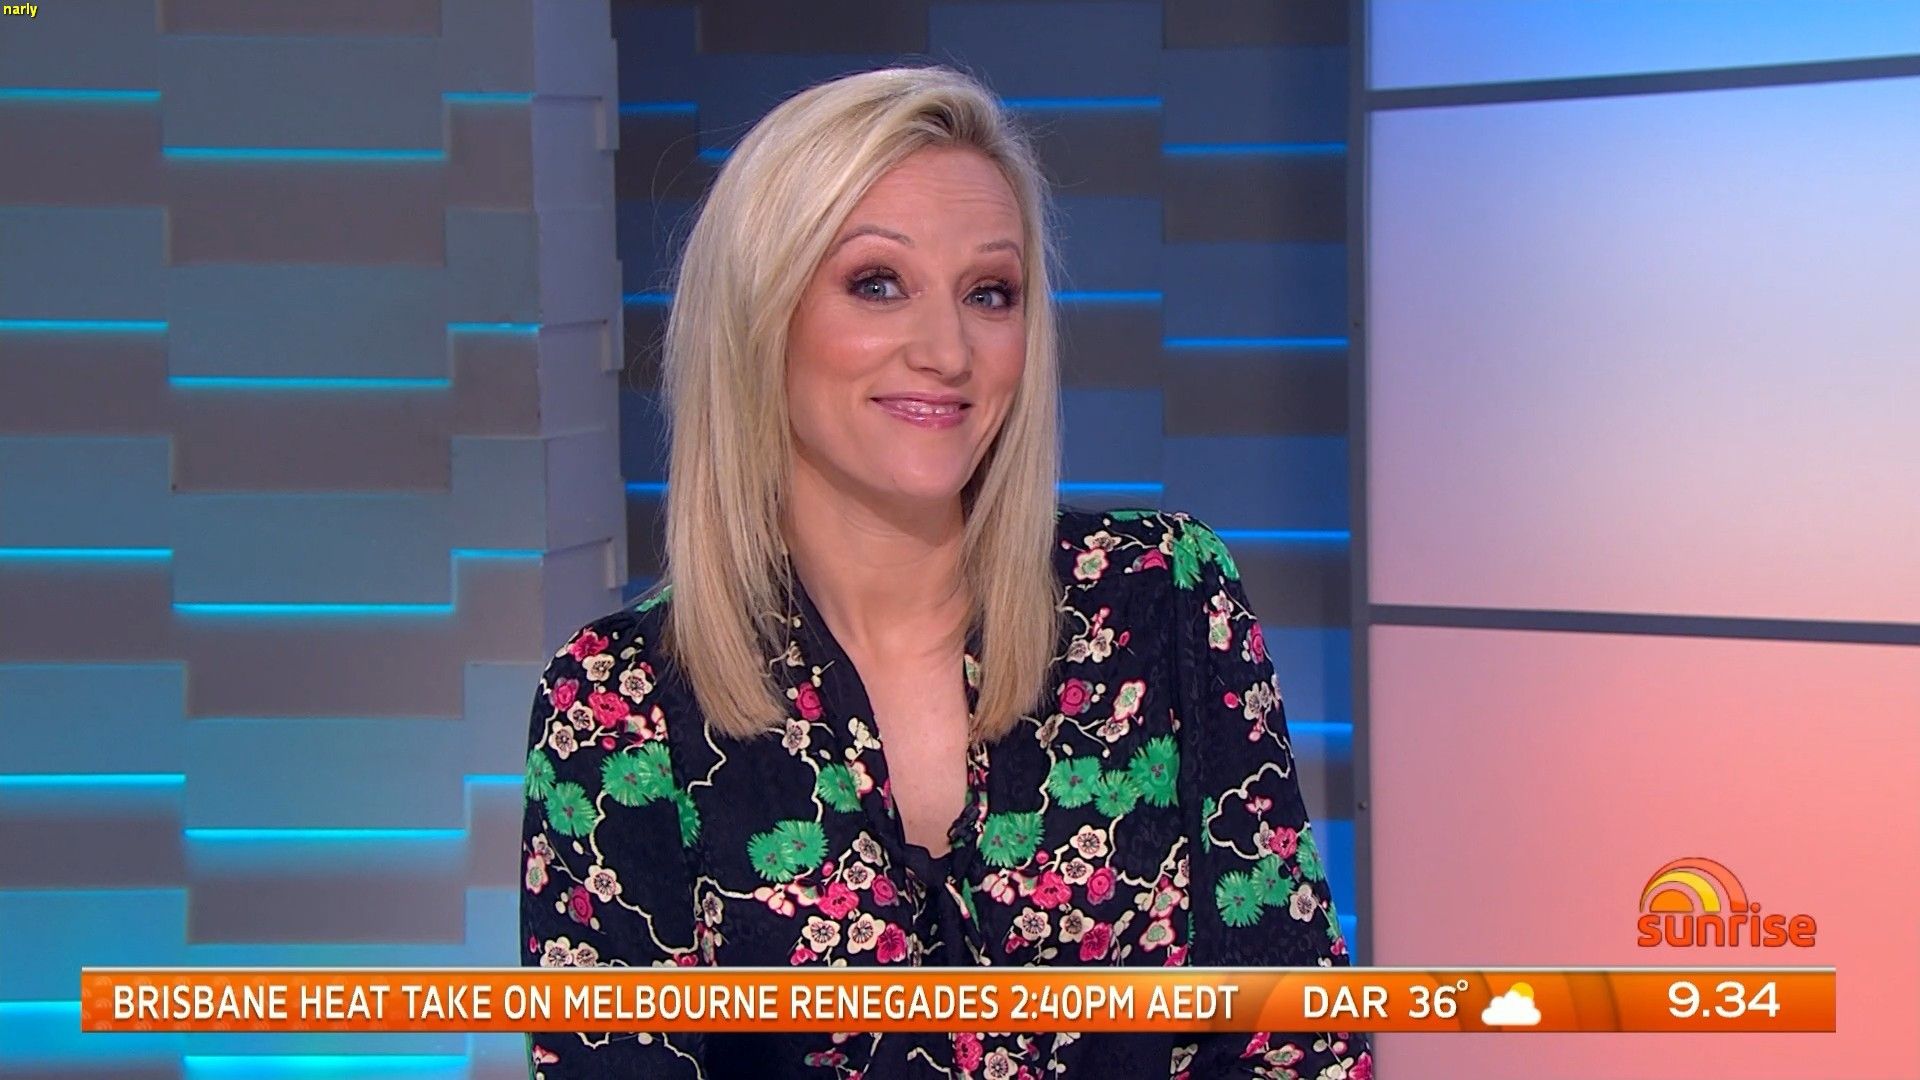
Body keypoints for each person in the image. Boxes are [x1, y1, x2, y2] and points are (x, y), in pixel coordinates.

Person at [520, 63, 1371, 1079]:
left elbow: (1295, 1035)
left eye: (989, 294)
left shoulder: (1163, 595)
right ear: (759, 317)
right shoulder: (617, 702)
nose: (948, 350)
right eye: (878, 284)